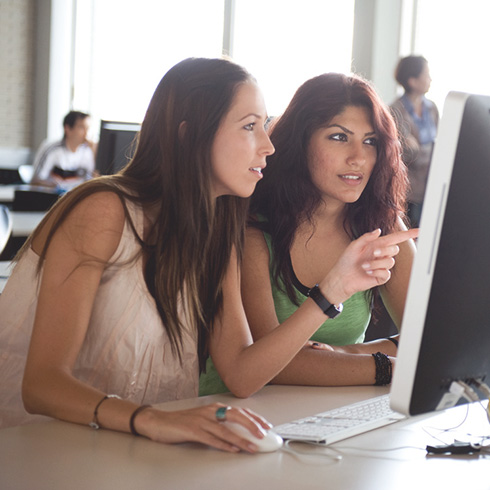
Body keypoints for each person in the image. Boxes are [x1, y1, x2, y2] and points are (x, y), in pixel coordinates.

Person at [0, 58, 415, 452]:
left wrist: (332, 291)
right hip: (47, 446)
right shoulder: (104, 210)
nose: (269, 145)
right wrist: (149, 420)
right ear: (189, 134)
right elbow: (42, 385)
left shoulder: (217, 226)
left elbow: (241, 372)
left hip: (142, 445)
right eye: (250, 127)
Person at [200, 72, 417, 395]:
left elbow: (427, 343)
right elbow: (274, 366)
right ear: (300, 142)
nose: (358, 157)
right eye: (339, 137)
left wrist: (344, 355)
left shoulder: (381, 225)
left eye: (370, 141)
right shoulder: (252, 228)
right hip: (242, 413)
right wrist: (386, 365)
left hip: (333, 412)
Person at [390, 55, 439, 227]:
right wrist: (428, 150)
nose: (430, 79)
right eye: (426, 74)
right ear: (412, 81)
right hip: (409, 190)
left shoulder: (432, 108)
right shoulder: (395, 110)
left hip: (432, 185)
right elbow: (407, 153)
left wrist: (420, 148)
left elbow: (438, 148)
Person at [31, 110, 97, 189]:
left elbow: (93, 180)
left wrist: (95, 152)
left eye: (88, 128)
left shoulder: (88, 151)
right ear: (67, 129)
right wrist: (58, 187)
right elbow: (36, 181)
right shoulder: (52, 149)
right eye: (81, 128)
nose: (86, 134)